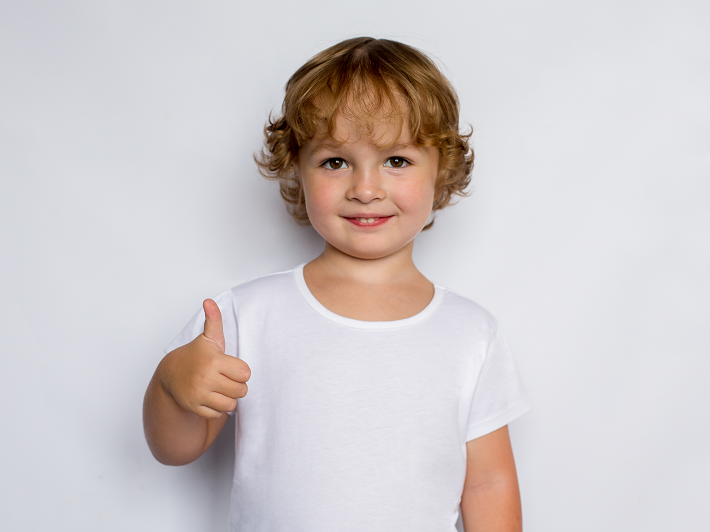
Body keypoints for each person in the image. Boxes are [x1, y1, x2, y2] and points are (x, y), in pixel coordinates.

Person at [143, 37, 531, 532]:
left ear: (442, 171)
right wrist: (171, 383)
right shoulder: (248, 315)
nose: (365, 189)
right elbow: (175, 449)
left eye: (396, 160)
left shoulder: (472, 332)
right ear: (297, 170)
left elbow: (488, 484)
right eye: (335, 162)